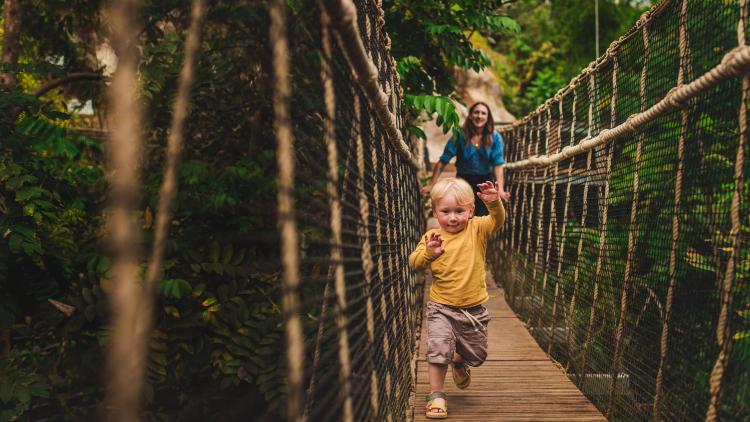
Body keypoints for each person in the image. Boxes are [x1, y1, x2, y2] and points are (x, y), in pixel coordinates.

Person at [409, 177, 505, 419]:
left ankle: (459, 361)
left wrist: (494, 203)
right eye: (446, 211)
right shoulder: (432, 237)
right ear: (435, 212)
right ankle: (436, 395)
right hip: (440, 307)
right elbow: (414, 263)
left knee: (478, 355)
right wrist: (429, 254)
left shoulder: (477, 229)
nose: (452, 217)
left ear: (471, 211)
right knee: (438, 349)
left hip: (473, 310)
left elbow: (498, 220)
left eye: (459, 211)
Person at [420, 102, 510, 215]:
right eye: (476, 112)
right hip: (463, 182)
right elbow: (444, 160)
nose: (479, 116)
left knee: (482, 219)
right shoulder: (460, 135)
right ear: (470, 115)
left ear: (488, 118)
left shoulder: (495, 137)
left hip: (485, 182)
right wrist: (432, 184)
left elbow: (498, 164)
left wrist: (500, 190)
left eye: (483, 113)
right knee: (463, 216)